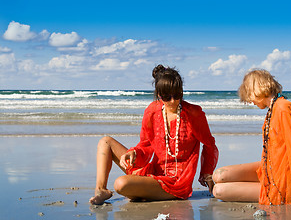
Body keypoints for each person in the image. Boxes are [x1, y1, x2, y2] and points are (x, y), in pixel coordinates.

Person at [89, 64, 219, 204]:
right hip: (152, 172)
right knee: (106, 142)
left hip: (177, 182)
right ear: (159, 95)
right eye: (167, 97)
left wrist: (207, 175)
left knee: (121, 184)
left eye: (177, 95)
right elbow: (145, 145)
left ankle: (142, 191)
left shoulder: (194, 114)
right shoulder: (152, 111)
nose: (173, 101)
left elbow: (209, 144)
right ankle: (101, 190)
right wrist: (133, 152)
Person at [212, 69, 291, 211]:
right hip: (268, 168)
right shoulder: (272, 108)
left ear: (258, 89)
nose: (249, 100)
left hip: (280, 183)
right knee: (219, 175)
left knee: (218, 191)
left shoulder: (284, 108)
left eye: (249, 94)